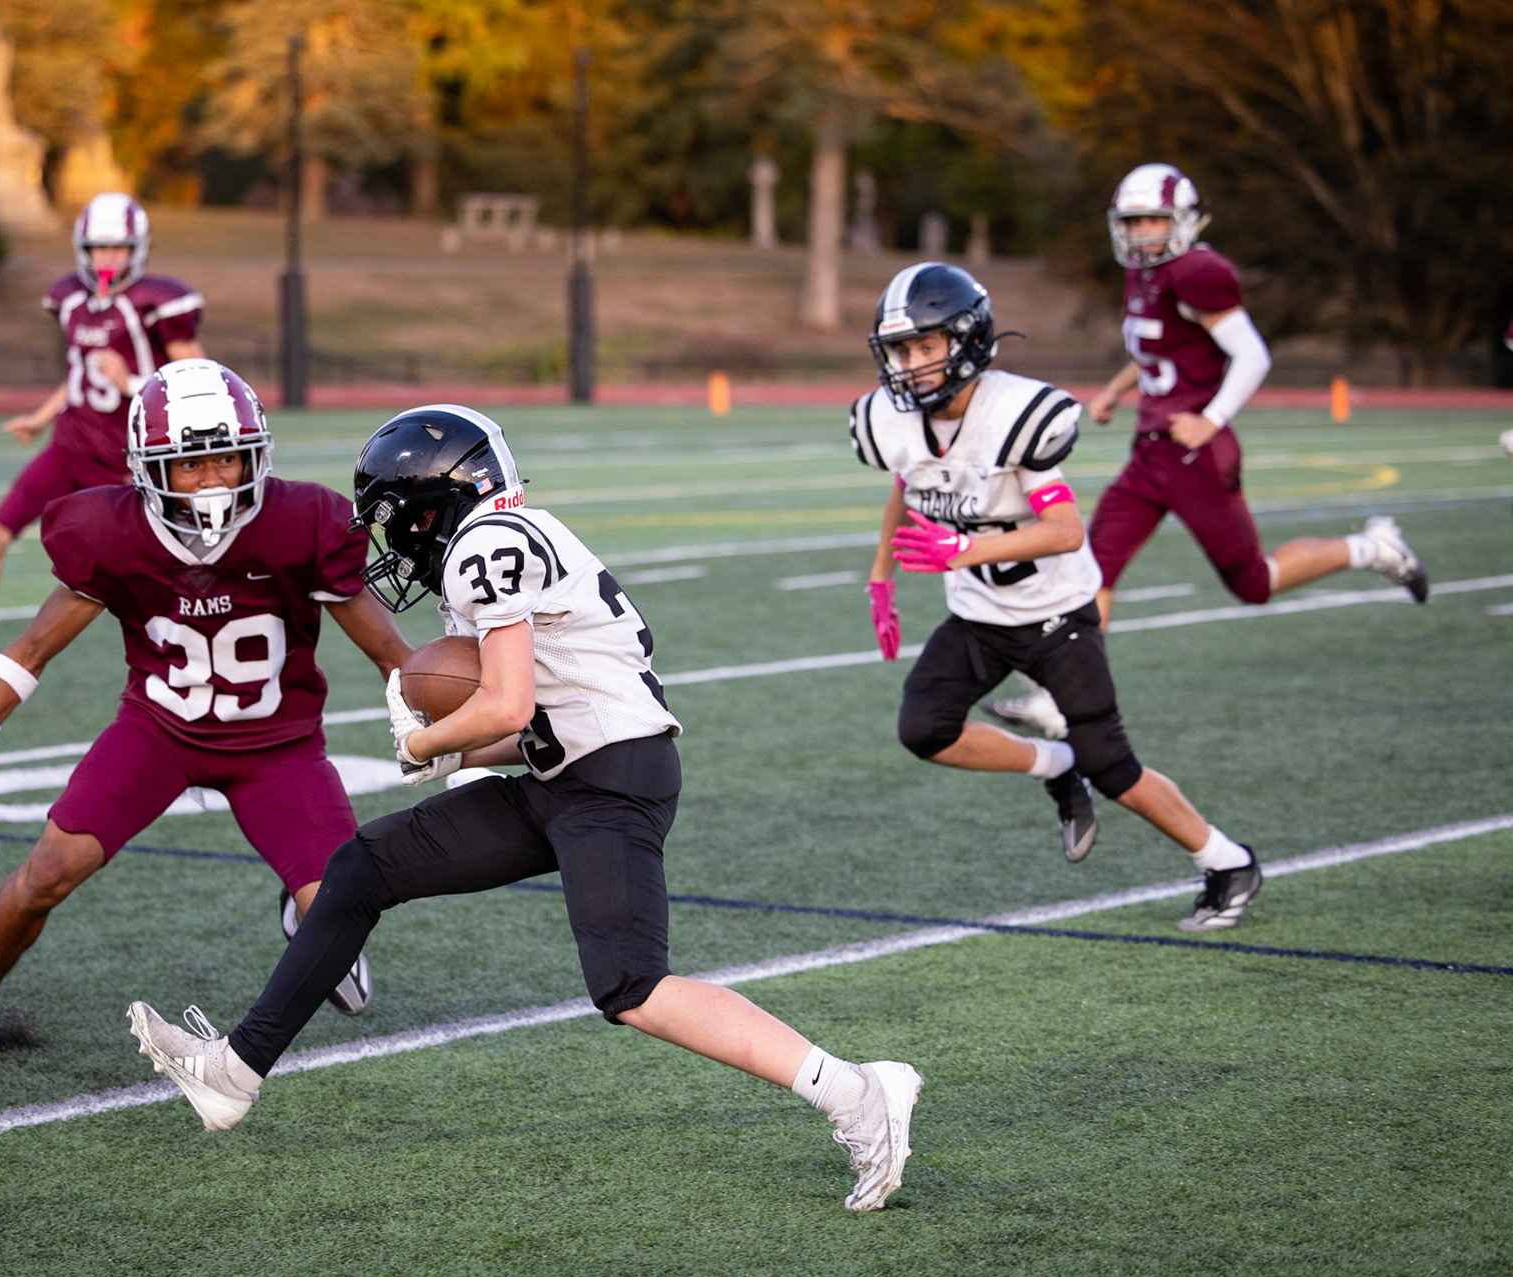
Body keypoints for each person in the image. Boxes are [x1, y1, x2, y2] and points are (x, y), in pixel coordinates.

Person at [124, 404, 924, 1213]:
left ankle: (858, 1093)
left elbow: (506, 704)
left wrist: (423, 739)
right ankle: (235, 1070)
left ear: (436, 501)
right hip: (565, 776)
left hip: (610, 781)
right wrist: (457, 751)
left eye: (399, 518)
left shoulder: (487, 544)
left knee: (632, 986)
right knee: (363, 866)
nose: (395, 539)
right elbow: (534, 721)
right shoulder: (503, 540)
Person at [0, 359, 411, 1067]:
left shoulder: (302, 520)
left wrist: (446, 738)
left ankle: (301, 905)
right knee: (45, 873)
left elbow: (392, 654)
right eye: (191, 463)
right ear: (149, 469)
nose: (214, 479)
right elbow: (31, 650)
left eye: (227, 457)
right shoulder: (111, 529)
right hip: (160, 734)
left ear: (256, 453)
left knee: (343, 916)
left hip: (278, 749)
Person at [852, 262, 1263, 931]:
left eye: (927, 345)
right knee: (924, 729)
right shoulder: (891, 421)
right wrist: (881, 575)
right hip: (979, 615)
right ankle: (1056, 764)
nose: (914, 364)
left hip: (1055, 616)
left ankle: (1227, 860)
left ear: (968, 339)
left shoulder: (1015, 413)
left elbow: (1067, 530)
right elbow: (909, 477)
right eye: (902, 349)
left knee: (1114, 765)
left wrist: (962, 550)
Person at [983, 163, 1427, 740]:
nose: (1141, 233)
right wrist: (1117, 390)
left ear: (1184, 221)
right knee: (1092, 567)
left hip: (1195, 456)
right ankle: (1062, 699)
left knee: (1253, 583)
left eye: (1152, 221)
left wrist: (1211, 420)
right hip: (1151, 452)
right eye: (1132, 222)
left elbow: (1253, 356)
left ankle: (1369, 547)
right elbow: (1159, 348)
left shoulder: (1197, 274)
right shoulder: (1144, 275)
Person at [0, 192, 207, 682]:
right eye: (98, 248)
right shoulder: (71, 300)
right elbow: (80, 373)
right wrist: (41, 416)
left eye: (117, 248)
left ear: (138, 249)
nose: (107, 258)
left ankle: (198, 660)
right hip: (68, 448)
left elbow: (198, 381)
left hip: (126, 460)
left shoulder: (155, 303)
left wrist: (129, 381)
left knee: (155, 568)